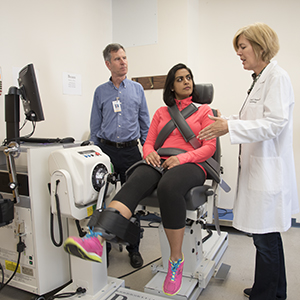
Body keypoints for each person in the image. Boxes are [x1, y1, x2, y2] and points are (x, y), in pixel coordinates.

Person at [64, 63, 216, 296]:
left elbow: (209, 148)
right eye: (180, 79)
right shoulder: (161, 113)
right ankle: (96, 238)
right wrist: (149, 154)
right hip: (161, 161)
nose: (187, 82)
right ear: (171, 87)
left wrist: (183, 158)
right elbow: (148, 141)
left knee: (169, 186)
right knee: (133, 180)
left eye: (189, 78)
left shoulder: (205, 112)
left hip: (193, 164)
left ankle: (176, 260)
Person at [198, 22, 299, 300]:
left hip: (268, 171)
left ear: (259, 45)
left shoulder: (276, 78)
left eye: (242, 47)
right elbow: (252, 120)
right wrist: (227, 121)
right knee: (264, 237)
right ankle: (272, 290)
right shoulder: (260, 78)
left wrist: (229, 128)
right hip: (258, 170)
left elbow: (274, 124)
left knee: (266, 239)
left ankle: (268, 295)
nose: (239, 54)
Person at [89, 43, 151, 268]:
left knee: (132, 202)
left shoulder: (137, 89)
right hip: (106, 151)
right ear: (108, 63)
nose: (123, 62)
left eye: (125, 57)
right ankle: (102, 248)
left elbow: (145, 123)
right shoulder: (100, 92)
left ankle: (134, 248)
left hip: (131, 152)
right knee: (103, 201)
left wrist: (149, 151)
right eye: (118, 59)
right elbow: (95, 126)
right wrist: (95, 154)